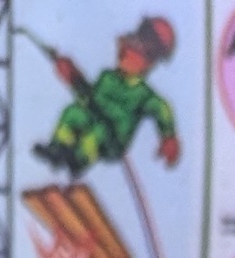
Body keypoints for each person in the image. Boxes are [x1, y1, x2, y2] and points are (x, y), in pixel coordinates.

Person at [34, 17, 181, 175]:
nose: (130, 49)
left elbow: (162, 108)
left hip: (113, 138)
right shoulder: (107, 77)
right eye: (132, 43)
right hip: (93, 116)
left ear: (148, 63)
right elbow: (88, 98)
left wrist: (169, 136)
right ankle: (57, 148)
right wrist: (74, 77)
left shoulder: (143, 94)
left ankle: (78, 159)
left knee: (98, 132)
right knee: (73, 112)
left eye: (139, 50)